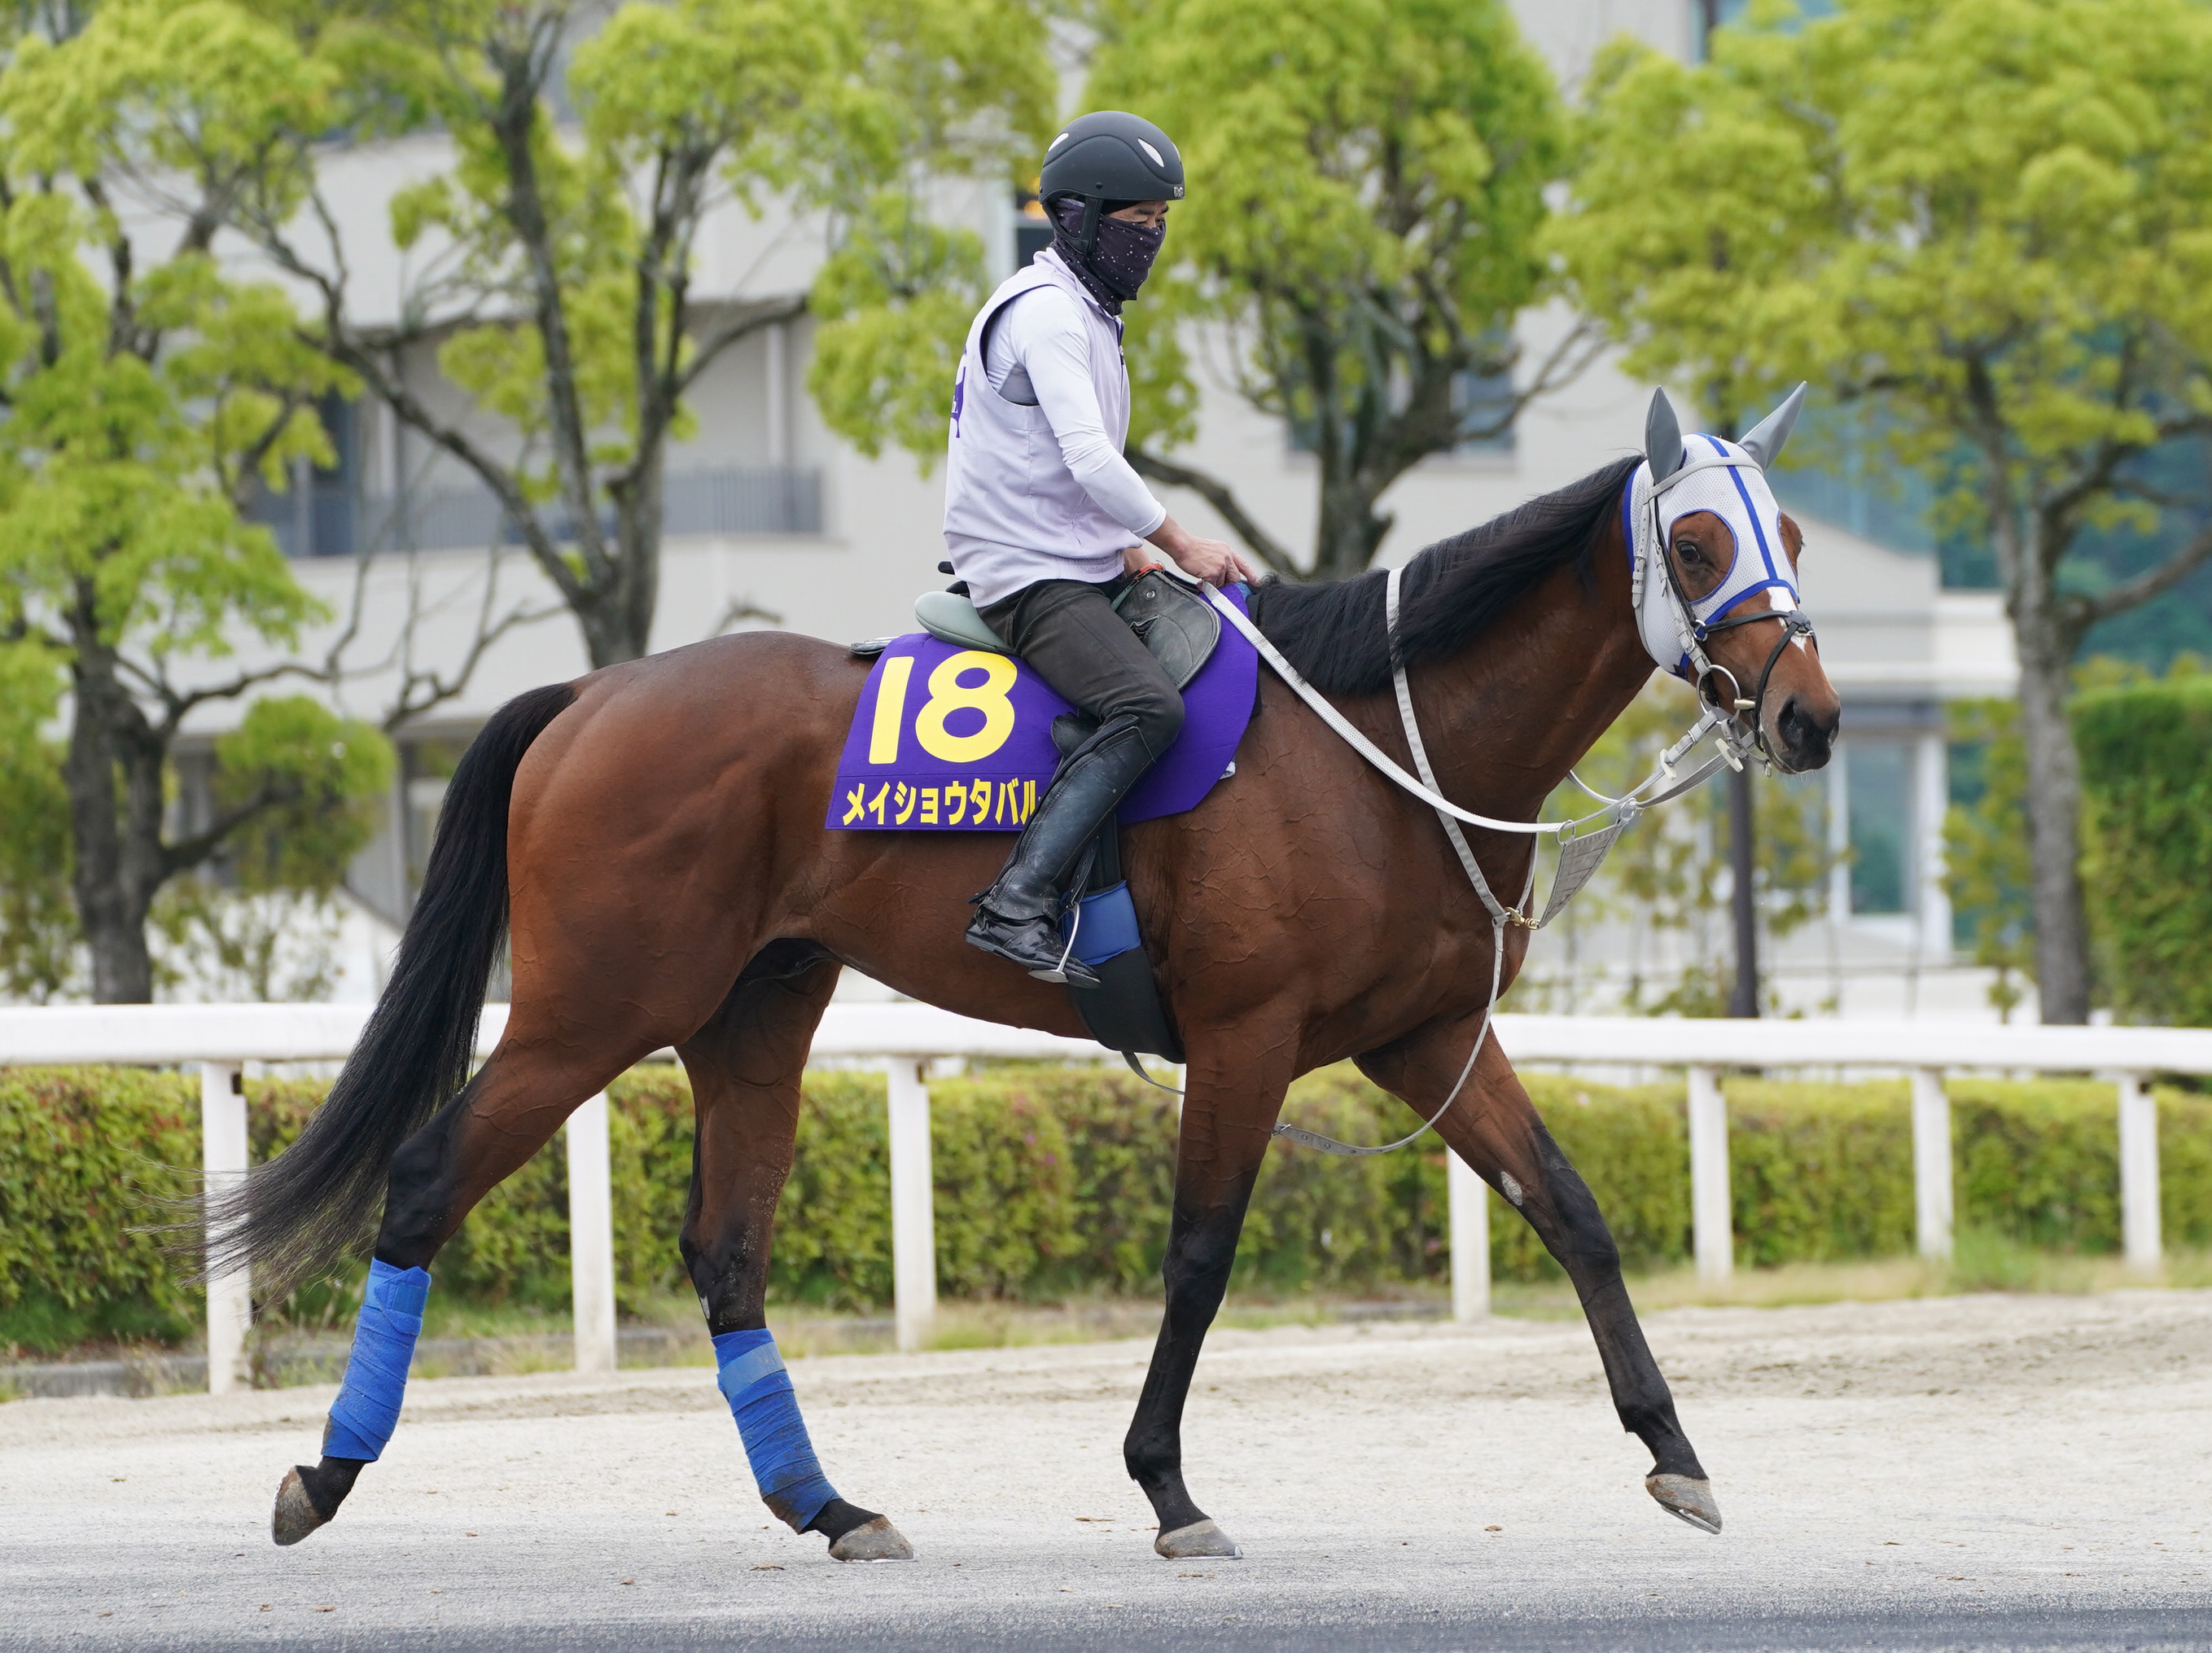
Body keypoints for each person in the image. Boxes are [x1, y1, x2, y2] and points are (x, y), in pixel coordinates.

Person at [944, 110, 1260, 986]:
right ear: (1077, 218)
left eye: (1160, 222)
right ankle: (1015, 902)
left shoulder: (1087, 313)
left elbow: (1048, 463)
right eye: (1136, 221)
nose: (1150, 239)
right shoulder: (1048, 314)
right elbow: (1087, 458)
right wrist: (1177, 540)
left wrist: (1125, 545)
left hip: (1075, 560)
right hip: (1025, 577)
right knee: (1147, 708)